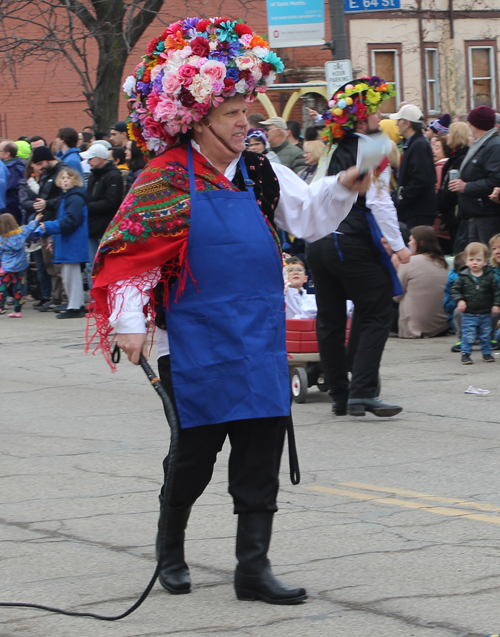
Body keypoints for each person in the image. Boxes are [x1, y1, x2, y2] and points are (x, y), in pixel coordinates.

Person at [89, 16, 370, 606]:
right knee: (194, 455)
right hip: (189, 342)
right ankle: (171, 550)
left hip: (256, 338)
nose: (247, 122)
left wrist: (347, 181)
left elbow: (311, 216)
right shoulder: (165, 179)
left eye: (247, 110)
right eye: (233, 114)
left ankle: (252, 568)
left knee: (262, 446)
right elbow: (128, 258)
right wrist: (131, 324)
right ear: (198, 120)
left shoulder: (261, 171)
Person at [307, 78, 410, 418]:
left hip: (319, 241)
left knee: (331, 319)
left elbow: (314, 189)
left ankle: (340, 394)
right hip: (346, 238)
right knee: (379, 305)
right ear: (361, 116)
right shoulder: (371, 144)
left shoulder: (332, 146)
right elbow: (379, 200)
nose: (381, 118)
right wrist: (399, 246)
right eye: (376, 111)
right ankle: (362, 392)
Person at [37, 168, 88, 319]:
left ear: (75, 180)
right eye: (63, 178)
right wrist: (54, 238)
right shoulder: (68, 197)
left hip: (73, 242)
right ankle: (75, 305)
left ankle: (75, 306)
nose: (65, 180)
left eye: (68, 178)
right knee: (68, 275)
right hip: (68, 241)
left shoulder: (75, 198)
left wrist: (48, 227)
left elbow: (71, 222)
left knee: (72, 276)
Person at [449, 105, 500, 245]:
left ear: (475, 124)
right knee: (477, 259)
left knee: (487, 259)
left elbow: (495, 181)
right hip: (475, 214)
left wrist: (467, 187)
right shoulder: (481, 144)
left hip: (487, 214)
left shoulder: (493, 146)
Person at [31, 146, 69, 311]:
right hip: (46, 223)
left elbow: (63, 199)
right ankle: (55, 298)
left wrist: (47, 204)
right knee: (50, 265)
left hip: (55, 224)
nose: (39, 167)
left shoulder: (62, 172)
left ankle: (66, 298)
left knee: (59, 265)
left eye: (41, 163)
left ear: (48, 159)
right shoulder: (47, 174)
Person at [394, 226, 449, 338]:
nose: (409, 243)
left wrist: (397, 269)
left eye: (411, 240)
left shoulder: (410, 262)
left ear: (421, 243)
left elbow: (396, 296)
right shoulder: (444, 263)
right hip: (441, 327)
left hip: (415, 328)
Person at [80, 143, 123, 284]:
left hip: (104, 226)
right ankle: (94, 300)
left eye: (91, 159)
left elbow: (112, 202)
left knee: (103, 264)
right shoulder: (94, 176)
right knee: (91, 265)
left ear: (99, 159)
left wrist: (87, 207)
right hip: (92, 226)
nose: (88, 162)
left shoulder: (113, 176)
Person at [451, 241, 500, 364]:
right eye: (471, 259)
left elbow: (496, 292)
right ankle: (466, 353)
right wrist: (460, 300)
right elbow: (455, 290)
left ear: (485, 261)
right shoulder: (463, 277)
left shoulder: (489, 276)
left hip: (485, 312)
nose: (474, 262)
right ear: (466, 261)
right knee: (468, 334)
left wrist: (496, 304)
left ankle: (487, 353)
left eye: (478, 260)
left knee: (486, 334)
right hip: (469, 313)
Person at [390, 104, 437, 228]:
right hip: (414, 210)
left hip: (418, 211)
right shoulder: (413, 144)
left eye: (399, 121)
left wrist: (402, 199)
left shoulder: (419, 145)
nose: (396, 124)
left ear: (407, 124)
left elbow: (421, 179)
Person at [19, 157, 52, 306]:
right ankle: (45, 295)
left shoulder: (48, 180)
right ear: (31, 166)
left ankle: (52, 295)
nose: (40, 168)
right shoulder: (26, 182)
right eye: (37, 165)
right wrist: (37, 205)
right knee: (39, 264)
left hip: (47, 223)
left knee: (49, 263)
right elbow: (23, 201)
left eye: (41, 164)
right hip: (33, 226)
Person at [0, 212, 42, 316]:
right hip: (20, 266)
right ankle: (17, 311)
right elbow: (30, 227)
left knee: (1, 287)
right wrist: (36, 219)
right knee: (19, 288)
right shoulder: (22, 232)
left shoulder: (2, 239)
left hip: (7, 267)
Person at [437, 122, 470, 251]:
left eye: (450, 133)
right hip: (450, 213)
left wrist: (440, 204)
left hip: (455, 213)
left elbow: (451, 188)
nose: (447, 136)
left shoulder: (460, 159)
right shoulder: (454, 158)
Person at [444, 251, 466, 352]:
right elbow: (447, 307)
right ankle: (463, 339)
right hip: (459, 318)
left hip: (479, 316)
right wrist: (459, 300)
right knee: (458, 311)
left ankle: (488, 338)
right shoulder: (453, 283)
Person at [0, 140, 25, 223]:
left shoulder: (14, 169)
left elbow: (8, 189)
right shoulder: (9, 166)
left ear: (7, 154)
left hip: (11, 209)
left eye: (0, 151)